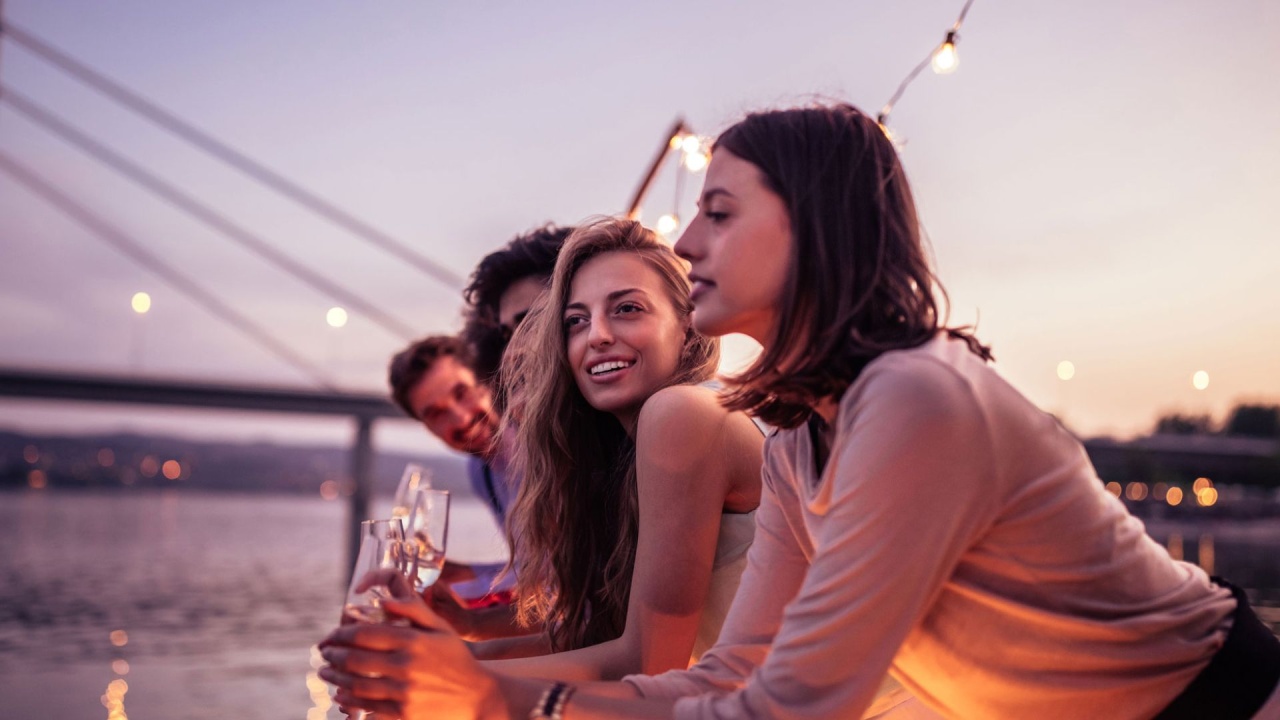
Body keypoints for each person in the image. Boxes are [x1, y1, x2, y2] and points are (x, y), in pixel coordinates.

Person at [322, 103, 1280, 719]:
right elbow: (724, 677)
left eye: (722, 211)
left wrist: (504, 702)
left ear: (814, 225)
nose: (688, 240)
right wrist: (464, 683)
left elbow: (790, 711)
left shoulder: (916, 396)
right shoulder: (798, 445)